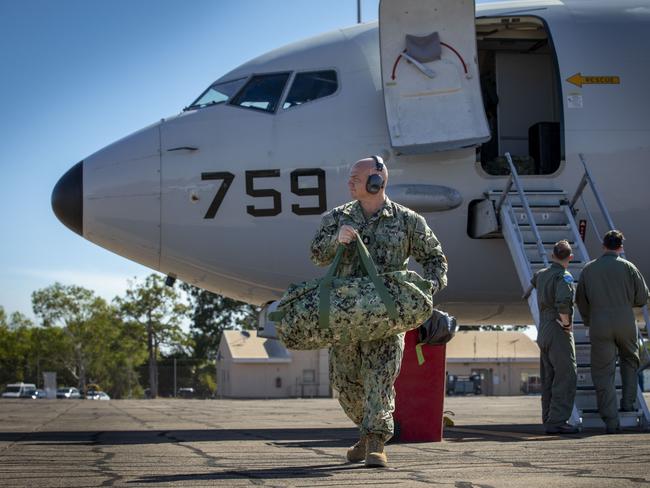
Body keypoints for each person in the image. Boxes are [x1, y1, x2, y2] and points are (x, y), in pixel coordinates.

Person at [310, 156, 447, 467]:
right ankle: (365, 431)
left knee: (379, 379)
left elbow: (435, 260)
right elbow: (316, 254)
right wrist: (337, 239)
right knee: (345, 384)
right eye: (350, 177)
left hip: (387, 318)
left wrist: (422, 293)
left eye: (356, 178)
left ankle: (376, 442)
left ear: (376, 181)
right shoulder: (337, 218)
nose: (350, 183)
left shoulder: (408, 220)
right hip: (346, 318)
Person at [576, 230, 650, 433]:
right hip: (625, 322)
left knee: (603, 372)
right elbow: (643, 297)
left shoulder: (589, 269)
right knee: (630, 362)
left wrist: (589, 319)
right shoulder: (629, 267)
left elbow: (581, 299)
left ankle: (611, 420)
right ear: (621, 247)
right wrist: (625, 302)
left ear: (603, 246)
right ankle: (628, 405)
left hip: (600, 323)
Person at [530, 240, 578, 434]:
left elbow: (532, 282)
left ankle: (548, 417)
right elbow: (563, 304)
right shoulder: (564, 277)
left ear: (552, 256)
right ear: (570, 258)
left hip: (543, 329)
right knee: (566, 374)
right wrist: (567, 325)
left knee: (549, 376)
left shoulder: (542, 274)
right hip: (558, 328)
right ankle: (557, 421)